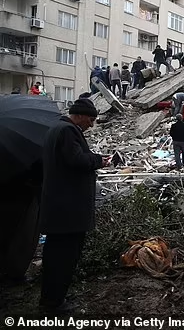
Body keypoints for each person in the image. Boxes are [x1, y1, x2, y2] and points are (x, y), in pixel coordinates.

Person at [40, 98, 108, 312]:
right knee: (63, 257)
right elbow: (76, 160)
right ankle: (53, 303)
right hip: (68, 211)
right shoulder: (68, 131)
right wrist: (98, 160)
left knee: (56, 256)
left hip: (60, 207)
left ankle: (52, 299)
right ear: (78, 115)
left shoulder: (57, 129)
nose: (92, 124)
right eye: (90, 119)